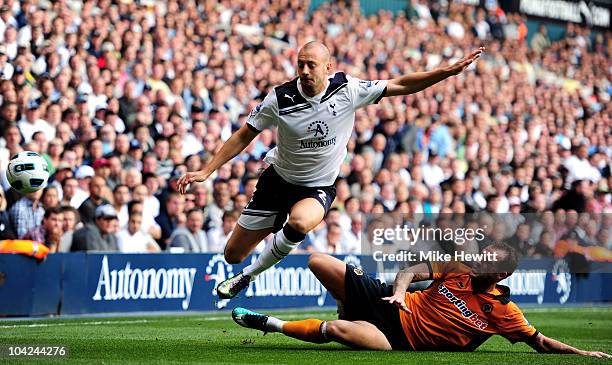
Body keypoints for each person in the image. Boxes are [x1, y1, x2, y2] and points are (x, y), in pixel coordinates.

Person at [177, 41, 485, 299]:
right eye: (301, 65)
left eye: (312, 64)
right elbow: (245, 134)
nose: (305, 71)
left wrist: (445, 72)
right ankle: (248, 259)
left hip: (316, 187)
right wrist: (207, 171)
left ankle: (248, 277)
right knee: (232, 254)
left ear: (328, 67)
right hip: (277, 181)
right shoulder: (280, 98)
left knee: (299, 222)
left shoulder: (347, 89)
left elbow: (400, 84)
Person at [232, 244, 610, 358]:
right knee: (317, 261)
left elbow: (540, 342)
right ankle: (348, 302)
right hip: (389, 301)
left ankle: (268, 324)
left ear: (503, 274)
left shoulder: (504, 313)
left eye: (489, 260)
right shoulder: (457, 267)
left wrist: (582, 354)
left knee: (338, 330)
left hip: (400, 338)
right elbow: (412, 269)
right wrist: (398, 292)